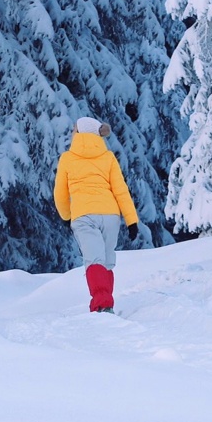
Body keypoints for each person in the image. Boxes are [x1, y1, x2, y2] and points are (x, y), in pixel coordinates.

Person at [53, 117, 139, 313]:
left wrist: (66, 216)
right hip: (110, 216)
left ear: (80, 132)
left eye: (74, 129)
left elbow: (60, 193)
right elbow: (121, 190)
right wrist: (131, 220)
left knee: (94, 260)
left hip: (83, 215)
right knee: (106, 261)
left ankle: (102, 304)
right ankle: (105, 303)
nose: (72, 132)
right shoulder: (108, 157)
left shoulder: (67, 158)